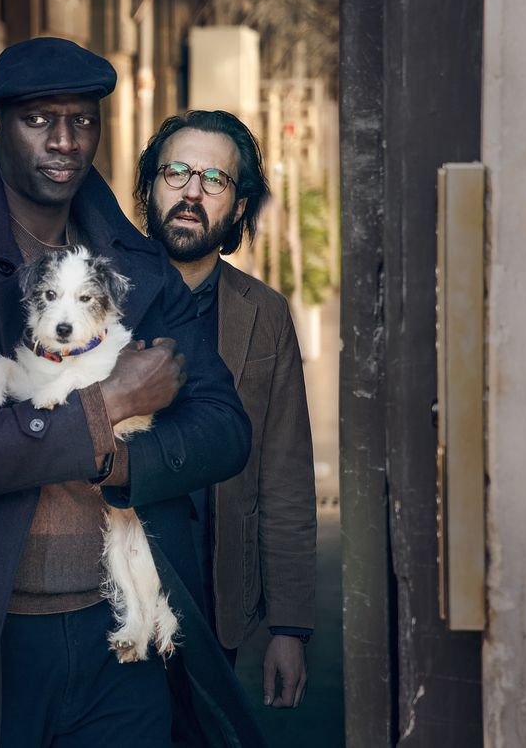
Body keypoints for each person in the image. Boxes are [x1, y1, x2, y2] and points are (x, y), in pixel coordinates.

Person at [0, 38, 266, 747]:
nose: (66, 140)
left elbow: (224, 429)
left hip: (122, 635)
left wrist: (119, 462)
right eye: (39, 120)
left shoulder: (140, 268)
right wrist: (110, 407)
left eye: (83, 120)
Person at [138, 109, 317, 711]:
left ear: (238, 206)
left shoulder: (264, 314)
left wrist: (289, 627)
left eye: (214, 181)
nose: (191, 191)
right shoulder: (96, 290)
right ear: (149, 186)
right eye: (177, 172)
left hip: (215, 595)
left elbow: (285, 475)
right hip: (105, 592)